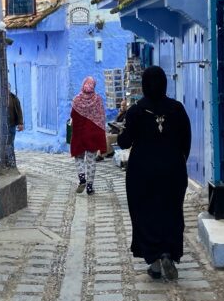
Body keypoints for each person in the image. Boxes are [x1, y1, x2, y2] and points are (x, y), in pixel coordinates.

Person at [117, 65, 191, 281]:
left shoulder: (137, 110)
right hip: (172, 170)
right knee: (171, 211)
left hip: (142, 172)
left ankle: (155, 260)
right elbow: (186, 140)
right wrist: (178, 161)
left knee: (145, 212)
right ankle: (168, 252)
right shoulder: (177, 109)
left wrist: (122, 133)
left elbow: (124, 142)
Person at [70, 76, 108, 195]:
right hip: (92, 135)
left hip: (79, 134)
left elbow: (73, 115)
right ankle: (90, 187)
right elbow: (101, 118)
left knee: (79, 157)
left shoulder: (76, 99)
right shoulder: (98, 100)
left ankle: (82, 179)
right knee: (91, 161)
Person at [6, 91, 24, 168]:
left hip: (11, 125)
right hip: (1, 127)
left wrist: (20, 123)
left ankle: (11, 164)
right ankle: (7, 163)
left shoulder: (13, 98)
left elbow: (19, 110)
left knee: (10, 145)